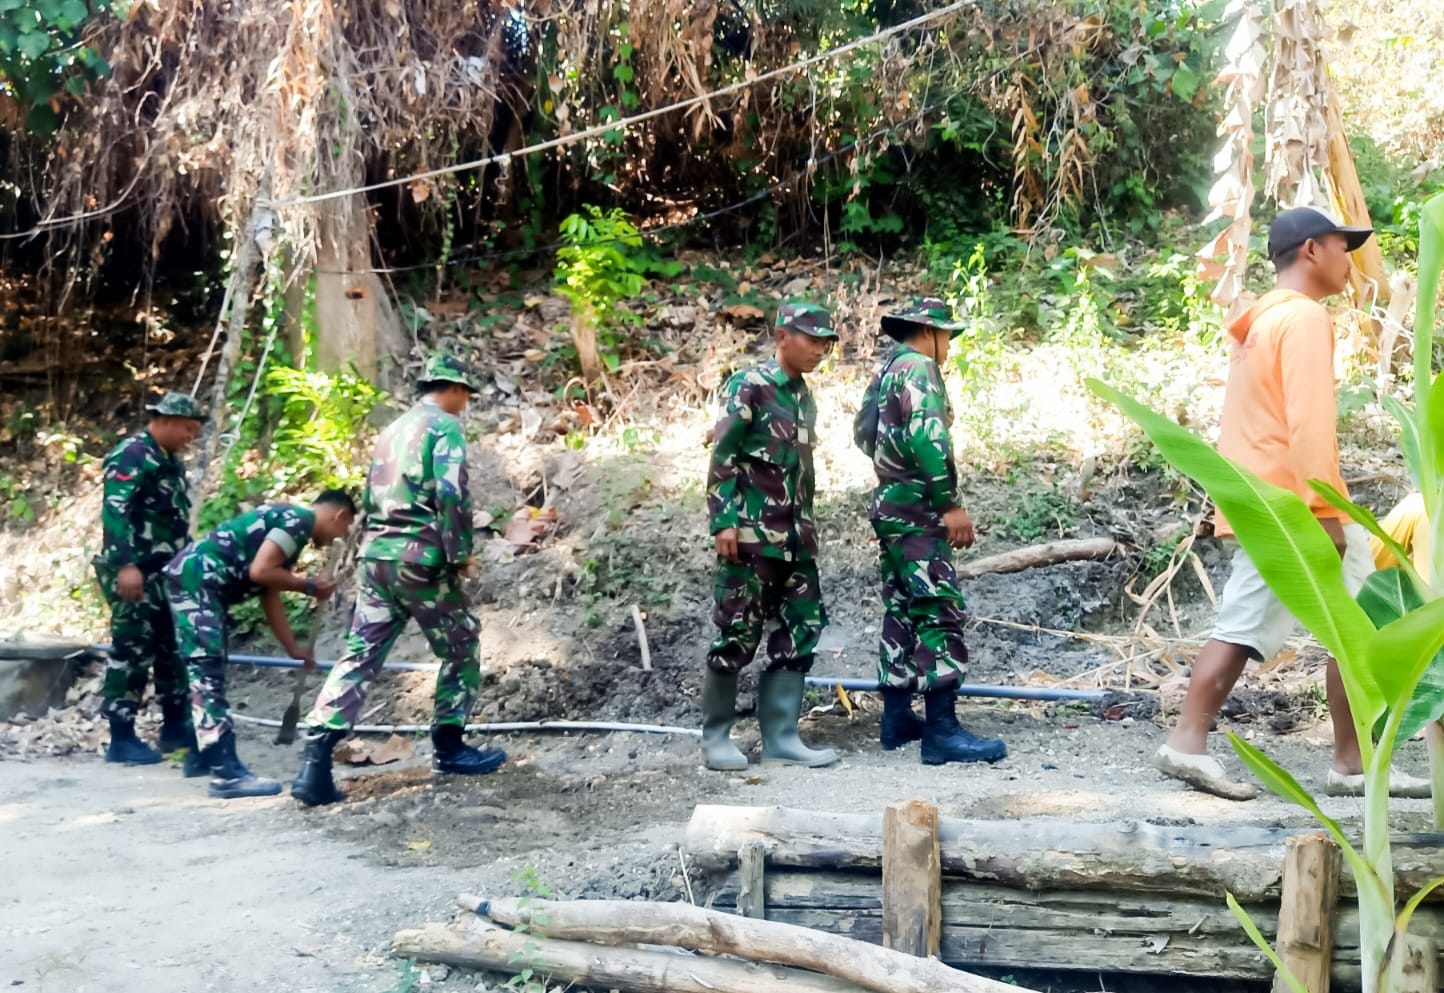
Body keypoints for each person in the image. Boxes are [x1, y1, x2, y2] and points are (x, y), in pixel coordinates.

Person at [1154, 205, 1430, 800]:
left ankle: (1351, 762)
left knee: (1352, 624)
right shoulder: (1302, 318)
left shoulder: (1260, 322)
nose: (1348, 260)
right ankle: (1186, 743)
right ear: (1311, 251)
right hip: (1291, 506)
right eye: (1341, 247)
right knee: (1255, 625)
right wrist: (1326, 510)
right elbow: (1308, 425)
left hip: (1264, 499)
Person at [292, 354, 506, 807]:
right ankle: (449, 747)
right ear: (451, 388)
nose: (465, 402)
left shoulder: (391, 431)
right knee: (462, 643)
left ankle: (315, 763)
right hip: (421, 559)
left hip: (377, 558)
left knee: (360, 654)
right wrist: (458, 554)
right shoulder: (443, 428)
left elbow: (373, 497)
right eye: (464, 393)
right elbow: (451, 494)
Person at [861, 297, 1005, 765]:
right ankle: (941, 731)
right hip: (920, 510)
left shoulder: (888, 371)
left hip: (890, 506)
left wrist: (893, 470)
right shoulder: (920, 369)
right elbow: (928, 436)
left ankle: (898, 717)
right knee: (938, 607)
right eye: (948, 337)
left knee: (902, 608)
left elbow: (864, 434)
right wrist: (950, 503)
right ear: (929, 332)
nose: (950, 347)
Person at [700, 302, 840, 771]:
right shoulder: (750, 386)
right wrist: (723, 520)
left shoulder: (803, 395)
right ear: (782, 336)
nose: (820, 349)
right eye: (812, 339)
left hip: (796, 540)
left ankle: (781, 737)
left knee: (801, 630)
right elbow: (723, 457)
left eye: (826, 342)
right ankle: (716, 738)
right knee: (738, 632)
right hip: (751, 538)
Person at [165, 491, 355, 799]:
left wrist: (293, 648)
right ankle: (226, 773)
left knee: (207, 667)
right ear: (339, 516)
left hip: (198, 579)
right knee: (206, 670)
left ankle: (200, 757)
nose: (342, 535)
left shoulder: (291, 525)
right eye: (345, 529)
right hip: (198, 578)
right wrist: (307, 585)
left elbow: (269, 590)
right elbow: (261, 571)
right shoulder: (298, 521)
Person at [94, 391, 206, 767]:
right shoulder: (133, 455)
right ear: (167, 421)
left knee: (171, 649)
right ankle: (121, 737)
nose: (191, 437)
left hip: (164, 570)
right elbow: (115, 513)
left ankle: (175, 731)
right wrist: (126, 565)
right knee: (133, 648)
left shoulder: (168, 459)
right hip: (134, 571)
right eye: (188, 429)